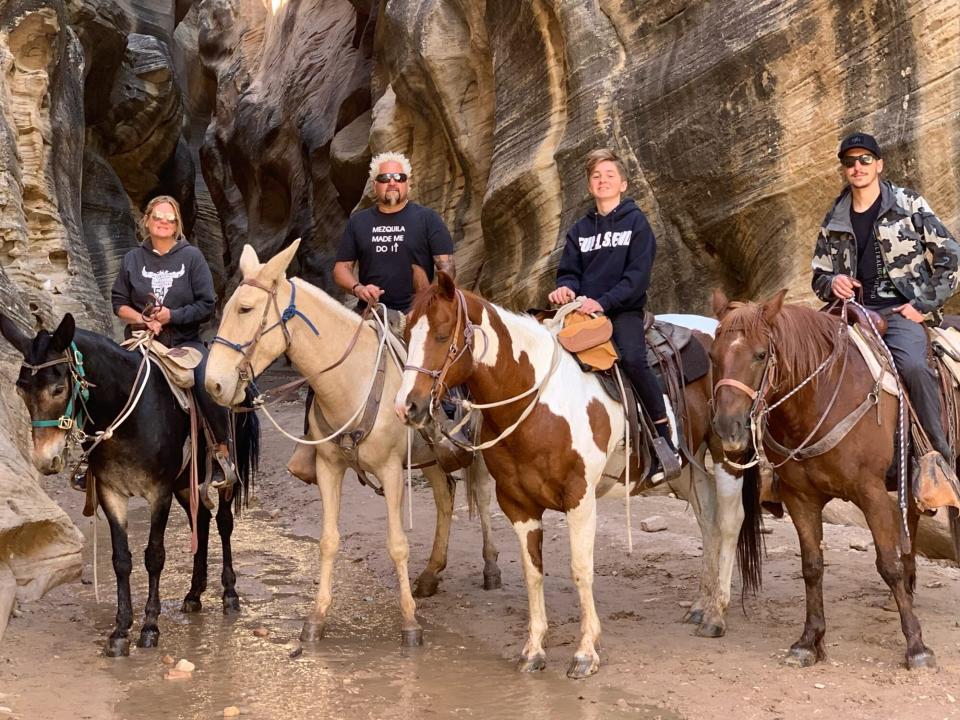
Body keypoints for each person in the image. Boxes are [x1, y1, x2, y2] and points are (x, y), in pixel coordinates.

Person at [812, 131, 960, 466]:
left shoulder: (908, 203)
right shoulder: (834, 217)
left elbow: (952, 256)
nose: (857, 167)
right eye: (850, 162)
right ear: (844, 170)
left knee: (913, 367)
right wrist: (832, 281)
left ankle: (936, 457)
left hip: (899, 311)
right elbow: (818, 276)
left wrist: (923, 305)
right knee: (806, 360)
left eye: (865, 160)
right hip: (850, 312)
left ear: (879, 164)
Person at [548, 148, 677, 480]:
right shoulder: (579, 230)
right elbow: (569, 272)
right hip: (581, 313)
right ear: (590, 187)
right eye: (596, 177)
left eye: (609, 176)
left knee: (633, 358)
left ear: (623, 184)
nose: (602, 181)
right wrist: (564, 288)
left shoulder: (636, 223)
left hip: (622, 311)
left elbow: (637, 278)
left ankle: (664, 440)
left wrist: (602, 302)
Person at [111, 195, 236, 489]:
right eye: (158, 218)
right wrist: (144, 320)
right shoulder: (133, 258)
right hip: (142, 342)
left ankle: (221, 453)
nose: (164, 223)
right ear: (147, 221)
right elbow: (119, 302)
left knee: (208, 380)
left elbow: (207, 304)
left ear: (177, 224)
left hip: (184, 343)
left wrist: (171, 316)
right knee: (105, 376)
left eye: (170, 219)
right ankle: (96, 459)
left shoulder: (191, 257)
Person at [333, 152, 455, 311]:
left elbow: (446, 267)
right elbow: (341, 269)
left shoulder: (429, 219)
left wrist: (431, 302)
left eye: (399, 177)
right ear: (374, 184)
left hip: (417, 315)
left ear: (408, 183)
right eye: (384, 178)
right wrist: (359, 289)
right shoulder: (358, 222)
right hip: (371, 312)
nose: (392, 182)